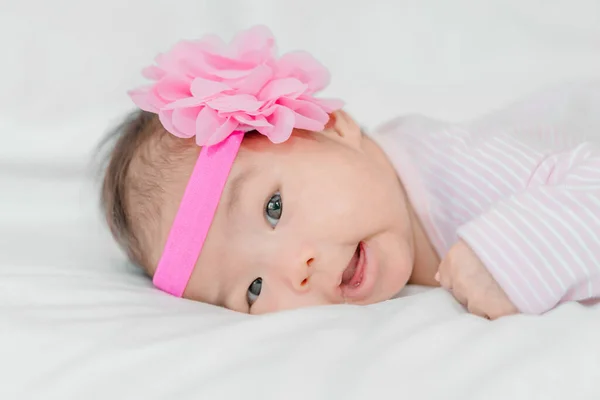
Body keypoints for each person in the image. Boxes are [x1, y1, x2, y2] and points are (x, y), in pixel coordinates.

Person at [100, 26, 600, 318]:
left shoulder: (460, 168)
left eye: (273, 208)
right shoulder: (382, 208)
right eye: (253, 289)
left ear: (333, 126)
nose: (295, 269)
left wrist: (509, 254)